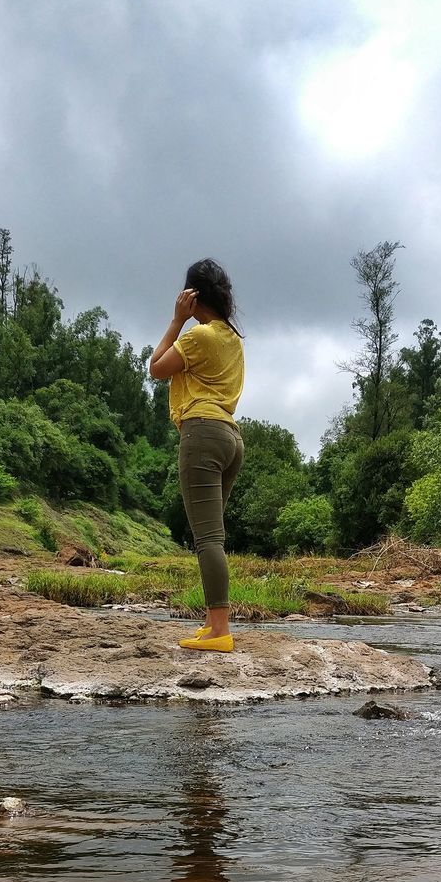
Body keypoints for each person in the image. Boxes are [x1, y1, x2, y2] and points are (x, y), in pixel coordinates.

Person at [149, 259, 245, 652]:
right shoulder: (233, 339)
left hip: (202, 434)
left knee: (208, 539)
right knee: (213, 539)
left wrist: (176, 321)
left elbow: (156, 368)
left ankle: (220, 632)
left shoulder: (198, 336)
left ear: (191, 296)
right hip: (230, 437)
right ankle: (212, 624)